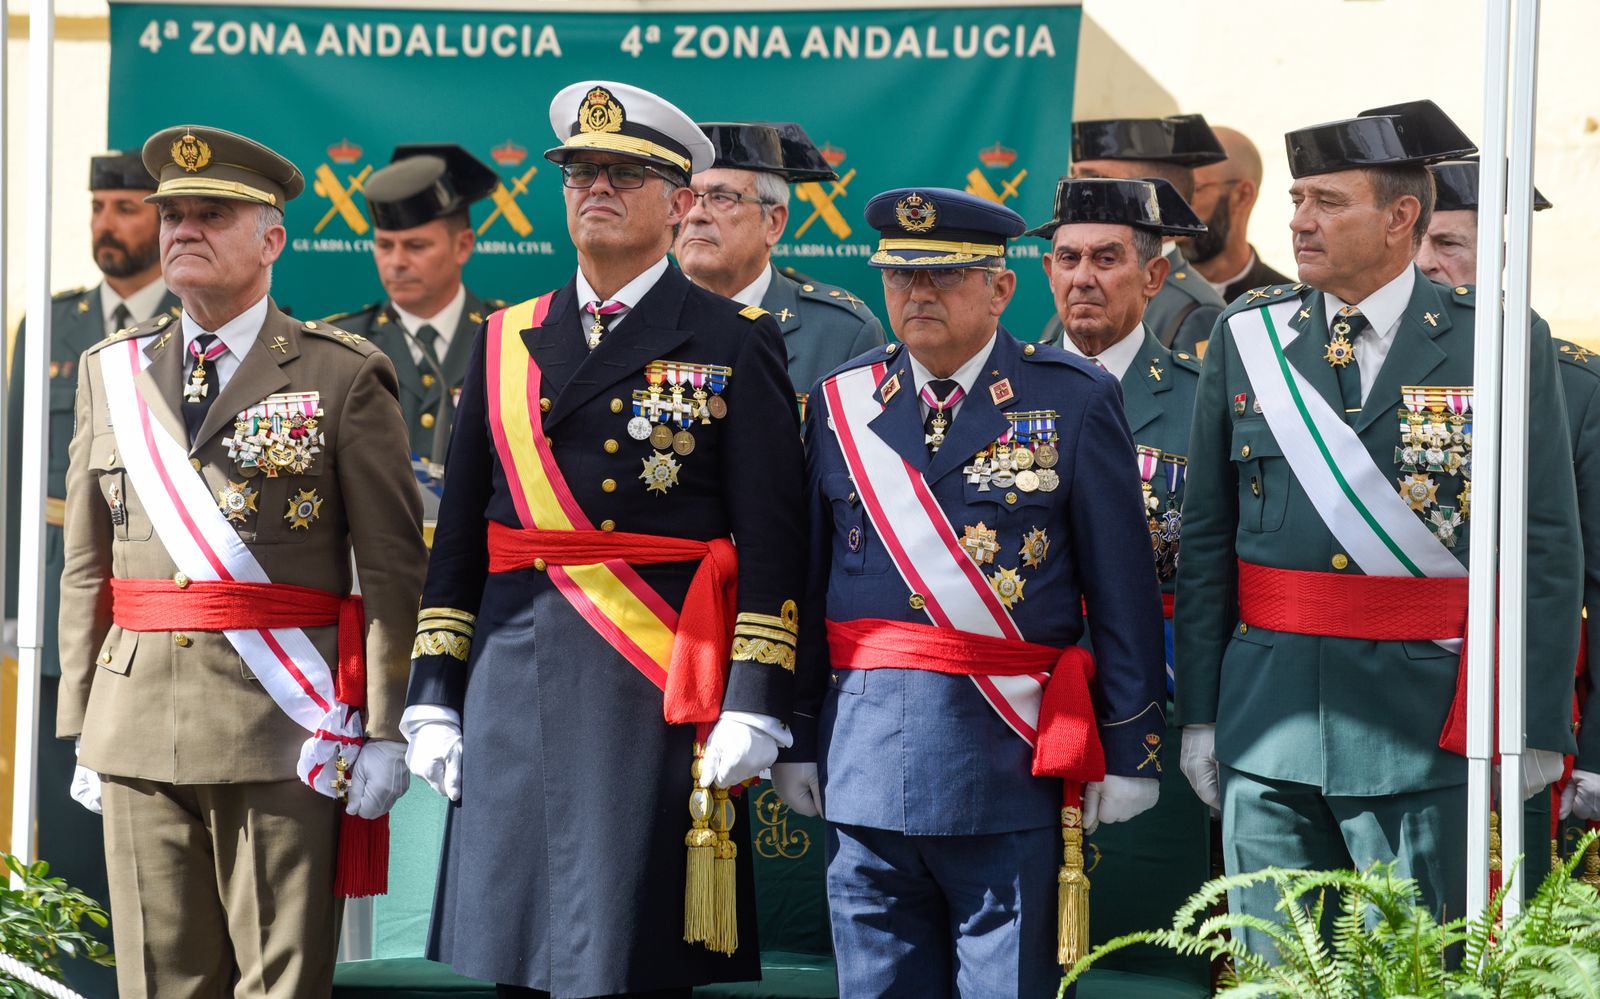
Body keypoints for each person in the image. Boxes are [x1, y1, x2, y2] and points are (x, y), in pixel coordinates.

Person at [400, 80, 807, 997]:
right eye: (581, 172)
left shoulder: (735, 339)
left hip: (654, 689)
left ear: (678, 202)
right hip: (511, 683)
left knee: (630, 959)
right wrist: (433, 691)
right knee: (513, 959)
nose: (597, 189)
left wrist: (755, 697)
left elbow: (775, 542)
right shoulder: (506, 338)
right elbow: (460, 538)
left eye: (624, 174)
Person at [1174, 100, 1579, 950]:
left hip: (1426, 735)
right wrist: (1205, 715)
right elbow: (1207, 541)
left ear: (1401, 218)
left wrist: (1535, 723)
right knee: (1278, 968)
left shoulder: (1499, 341)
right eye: (1296, 200)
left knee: (1422, 967)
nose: (1299, 221)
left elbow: (1544, 545)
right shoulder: (1246, 337)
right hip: (1269, 728)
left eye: (1327, 201)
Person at [57, 125, 426, 997]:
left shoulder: (342, 375)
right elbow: (86, 564)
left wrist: (383, 725)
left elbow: (390, 570)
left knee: (279, 986)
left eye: (211, 214)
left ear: (271, 239)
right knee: (159, 984)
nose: (183, 229)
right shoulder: (110, 371)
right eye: (173, 214)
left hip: (281, 732)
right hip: (136, 724)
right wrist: (82, 720)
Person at [778, 187, 1165, 997]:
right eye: (900, 277)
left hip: (1007, 763)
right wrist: (800, 736)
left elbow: (1122, 590)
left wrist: (1131, 749)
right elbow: (807, 584)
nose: (918, 294)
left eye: (945, 276)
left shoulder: (1073, 397)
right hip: (866, 765)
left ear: (999, 289)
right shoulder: (843, 402)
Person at [3, 150, 179, 999]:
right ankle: (70, 984)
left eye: (127, 206)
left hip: (170, 604)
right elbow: (13, 471)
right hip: (61, 615)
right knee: (66, 828)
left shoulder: (204, 319)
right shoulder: (54, 327)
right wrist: (11, 603)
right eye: (100, 206)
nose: (108, 222)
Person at [1416, 161, 1600, 831]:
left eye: (1450, 244)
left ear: (1495, 257)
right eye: (1418, 243)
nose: (1428, 263)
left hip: (1521, 702)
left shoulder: (1575, 387)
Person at [1031, 176, 1205, 690]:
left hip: (1153, 685)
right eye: (1068, 259)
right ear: (1049, 271)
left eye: (1106, 259)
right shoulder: (1003, 389)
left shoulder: (1201, 400)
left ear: (1154, 276)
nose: (1083, 278)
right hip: (1023, 690)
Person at [325, 144, 507, 487]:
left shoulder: (509, 336)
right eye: (384, 245)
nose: (396, 262)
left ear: (463, 246)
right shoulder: (340, 344)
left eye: (416, 246)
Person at [678, 121, 884, 398]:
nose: (695, 215)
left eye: (722, 197)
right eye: (688, 198)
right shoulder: (639, 317)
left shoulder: (842, 334)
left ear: (774, 222)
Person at [1038, 114, 1227, 353]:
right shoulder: (1072, 310)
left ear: (1154, 197)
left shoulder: (1196, 312)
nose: (1081, 190)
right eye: (1074, 175)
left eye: (1094, 178)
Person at [1184, 126, 1293, 307]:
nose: (1177, 205)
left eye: (1193, 190)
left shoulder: (1292, 304)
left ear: (1242, 196)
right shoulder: (1145, 294)